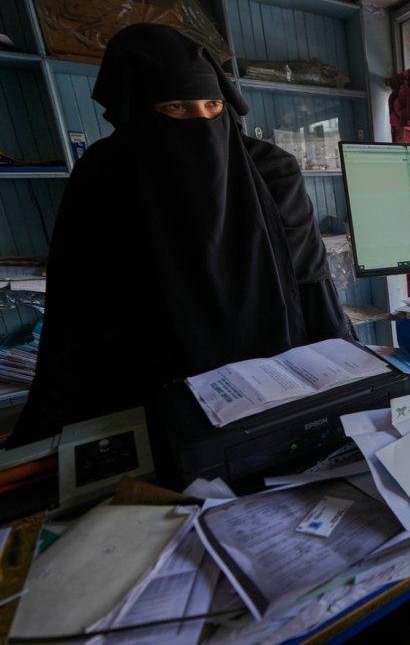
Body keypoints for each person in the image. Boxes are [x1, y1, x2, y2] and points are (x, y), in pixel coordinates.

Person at [7, 23, 356, 447]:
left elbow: (312, 282)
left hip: (278, 380)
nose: (202, 121)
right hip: (156, 384)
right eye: (177, 106)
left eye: (213, 105)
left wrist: (350, 377)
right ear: (138, 110)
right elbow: (80, 309)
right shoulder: (105, 176)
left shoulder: (273, 170)